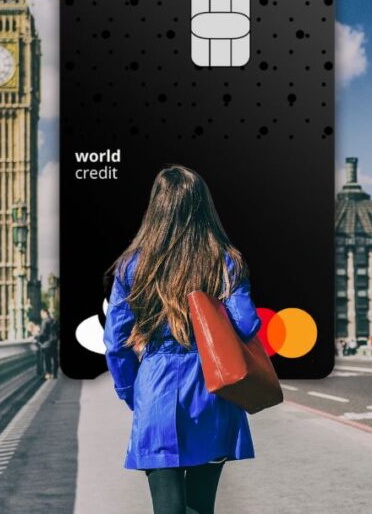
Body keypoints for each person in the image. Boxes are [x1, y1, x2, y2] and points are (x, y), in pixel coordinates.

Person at [103, 165, 261, 514]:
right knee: (201, 507)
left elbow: (115, 343)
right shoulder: (225, 261)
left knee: (168, 509)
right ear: (203, 207)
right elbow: (247, 325)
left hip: (156, 387)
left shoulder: (132, 266)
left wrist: (131, 392)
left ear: (156, 209)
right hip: (213, 391)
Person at [38, 308, 58, 379]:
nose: (41, 315)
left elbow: (43, 333)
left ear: (45, 313)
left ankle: (48, 373)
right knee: (55, 358)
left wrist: (38, 339)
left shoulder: (45, 321)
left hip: (47, 343)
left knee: (47, 359)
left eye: (41, 314)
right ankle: (55, 374)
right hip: (54, 342)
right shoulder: (53, 320)